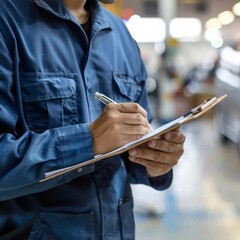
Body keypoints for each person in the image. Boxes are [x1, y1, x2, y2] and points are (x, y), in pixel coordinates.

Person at [0, 0, 186, 239]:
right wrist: (87, 141)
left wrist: (156, 160)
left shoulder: (120, 35)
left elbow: (133, 147)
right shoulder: (7, 21)